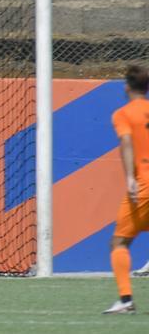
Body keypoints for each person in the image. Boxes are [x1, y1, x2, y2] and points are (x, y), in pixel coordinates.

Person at [103, 65, 149, 315]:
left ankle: (126, 299)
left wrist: (130, 177)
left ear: (127, 87)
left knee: (119, 241)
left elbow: (128, 142)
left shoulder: (123, 114)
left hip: (144, 183)